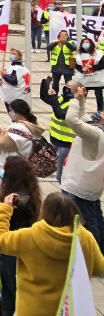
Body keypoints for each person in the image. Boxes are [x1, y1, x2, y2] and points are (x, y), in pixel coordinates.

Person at [0, 192, 104, 316]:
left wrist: (5, 209)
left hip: (35, 315)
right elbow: (99, 268)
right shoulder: (85, 238)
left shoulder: (30, 236)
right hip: (69, 314)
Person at [0, 155, 42, 316]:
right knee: (8, 298)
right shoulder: (29, 193)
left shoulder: (17, 199)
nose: (1, 172)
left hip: (13, 254)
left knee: (14, 296)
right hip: (20, 250)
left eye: (4, 169)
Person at [61, 82, 104, 248]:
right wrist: (83, 99)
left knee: (89, 223)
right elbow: (84, 117)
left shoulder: (96, 134)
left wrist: (74, 99)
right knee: (96, 218)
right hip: (91, 186)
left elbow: (72, 120)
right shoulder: (97, 130)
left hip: (79, 185)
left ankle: (95, 253)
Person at [0, 99, 43, 192]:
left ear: (18, 112)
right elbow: (11, 138)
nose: (9, 112)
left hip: (12, 167)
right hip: (19, 164)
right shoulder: (28, 125)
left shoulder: (20, 127)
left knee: (8, 189)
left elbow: (2, 142)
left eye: (10, 110)